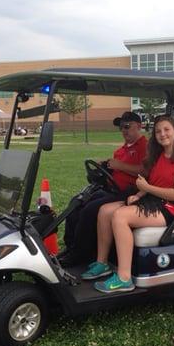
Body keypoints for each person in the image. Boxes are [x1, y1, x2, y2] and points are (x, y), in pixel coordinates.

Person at [81, 115, 174, 293]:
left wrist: (146, 188)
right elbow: (153, 181)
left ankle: (124, 278)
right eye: (158, 131)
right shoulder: (159, 155)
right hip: (153, 200)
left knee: (120, 216)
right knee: (105, 210)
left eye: (166, 130)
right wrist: (140, 193)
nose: (162, 134)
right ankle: (102, 263)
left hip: (171, 208)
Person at [61, 111, 148, 265]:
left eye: (127, 126)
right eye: (121, 128)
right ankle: (71, 246)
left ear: (139, 126)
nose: (124, 130)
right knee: (77, 203)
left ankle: (81, 254)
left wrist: (120, 165)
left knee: (90, 210)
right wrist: (105, 164)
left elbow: (145, 170)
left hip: (130, 193)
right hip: (111, 188)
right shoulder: (121, 150)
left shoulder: (145, 147)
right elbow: (115, 167)